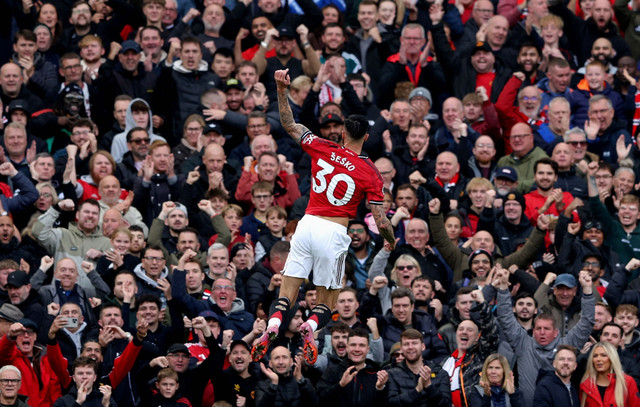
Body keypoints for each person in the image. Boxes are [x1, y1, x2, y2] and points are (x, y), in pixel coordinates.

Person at [251, 69, 395, 364]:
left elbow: (289, 123)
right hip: (334, 232)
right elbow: (380, 221)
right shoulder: (371, 173)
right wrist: (391, 240)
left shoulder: (322, 146)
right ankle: (311, 327)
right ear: (366, 137)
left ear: (342, 133)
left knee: (288, 288)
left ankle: (274, 324)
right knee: (329, 301)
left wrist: (280, 89)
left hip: (306, 225)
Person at [579, 341, 640, 406]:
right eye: (595, 356)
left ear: (612, 358)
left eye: (603, 355)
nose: (598, 359)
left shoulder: (627, 382)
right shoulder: (586, 385)